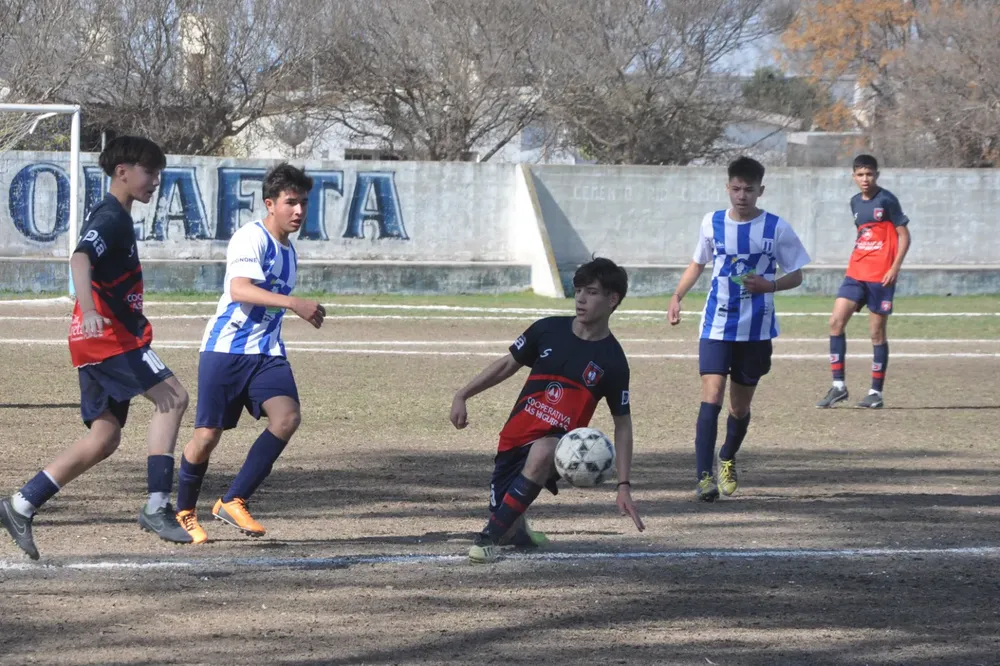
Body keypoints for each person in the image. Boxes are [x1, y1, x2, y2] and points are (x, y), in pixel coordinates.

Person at [1, 136, 192, 559]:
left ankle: (21, 504)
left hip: (96, 340)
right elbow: (80, 258)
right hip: (109, 337)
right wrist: (89, 309)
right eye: (149, 172)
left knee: (105, 437)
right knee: (174, 397)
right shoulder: (111, 217)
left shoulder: (117, 215)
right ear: (121, 172)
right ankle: (157, 506)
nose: (155, 181)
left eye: (159, 173)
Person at [450, 257, 644, 564]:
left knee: (542, 452)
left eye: (591, 292)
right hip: (513, 440)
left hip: (558, 447)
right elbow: (506, 365)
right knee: (509, 520)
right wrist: (463, 394)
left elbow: (623, 424)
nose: (580, 298)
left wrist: (623, 485)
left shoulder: (613, 361)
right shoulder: (547, 330)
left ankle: (487, 540)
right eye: (578, 290)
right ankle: (517, 529)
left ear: (612, 299)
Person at [173, 163, 325, 544]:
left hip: (267, 352)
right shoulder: (249, 238)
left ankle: (233, 499)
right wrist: (293, 303)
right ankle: (184, 511)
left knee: (287, 417)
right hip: (226, 350)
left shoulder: (290, 252)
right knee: (207, 437)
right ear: (270, 203)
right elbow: (240, 289)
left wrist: (292, 307)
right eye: (291, 202)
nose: (299, 211)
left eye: (304, 203)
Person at [668, 156, 811, 501]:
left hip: (756, 330)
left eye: (749, 189)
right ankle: (704, 477)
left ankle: (727, 457)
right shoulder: (711, 223)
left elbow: (797, 273)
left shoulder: (776, 227)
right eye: (736, 188)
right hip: (716, 324)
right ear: (727, 188)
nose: (742, 195)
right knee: (711, 397)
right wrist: (677, 295)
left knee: (739, 408)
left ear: (760, 190)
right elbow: (697, 263)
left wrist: (771, 285)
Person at [817, 154, 911, 410]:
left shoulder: (887, 200)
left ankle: (875, 392)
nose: (865, 179)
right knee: (835, 322)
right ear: (853, 177)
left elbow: (904, 235)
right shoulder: (854, 202)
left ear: (876, 175)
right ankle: (838, 387)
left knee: (876, 333)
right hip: (855, 273)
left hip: (881, 277)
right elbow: (864, 235)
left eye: (869, 174)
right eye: (860, 174)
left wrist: (895, 267)